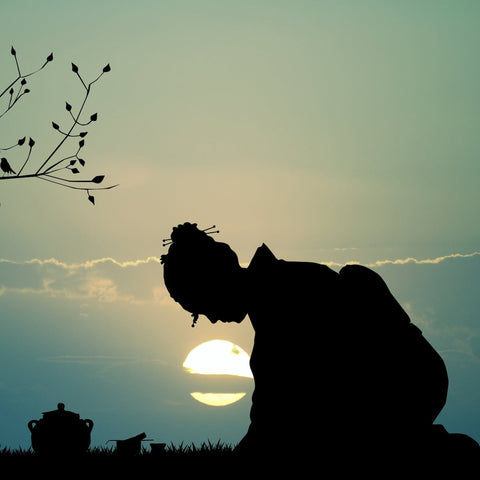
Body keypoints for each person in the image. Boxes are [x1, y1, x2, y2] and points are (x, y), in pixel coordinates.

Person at [161, 223, 457, 465]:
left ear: (213, 280)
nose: (210, 319)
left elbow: (270, 421)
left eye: (199, 305)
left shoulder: (283, 302)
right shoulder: (279, 290)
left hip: (407, 384)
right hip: (403, 380)